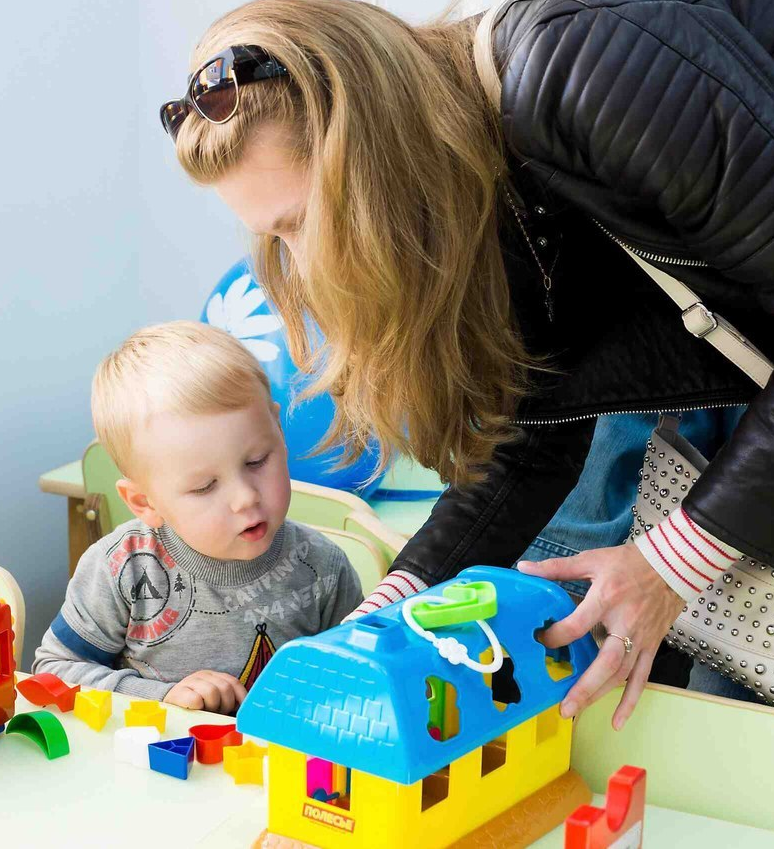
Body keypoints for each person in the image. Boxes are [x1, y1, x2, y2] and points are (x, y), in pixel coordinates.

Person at [161, 0, 774, 728]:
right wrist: (384, 614)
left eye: (303, 221)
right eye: (276, 237)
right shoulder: (475, 182)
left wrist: (667, 566)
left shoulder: (581, 68)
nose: (308, 264)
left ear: (373, 143)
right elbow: (533, 428)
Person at [33, 321, 363, 714]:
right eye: (205, 487)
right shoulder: (122, 568)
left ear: (277, 428)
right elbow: (54, 671)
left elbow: (359, 682)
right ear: (144, 502)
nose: (245, 498)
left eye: (257, 461)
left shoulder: (323, 567)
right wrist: (162, 697)